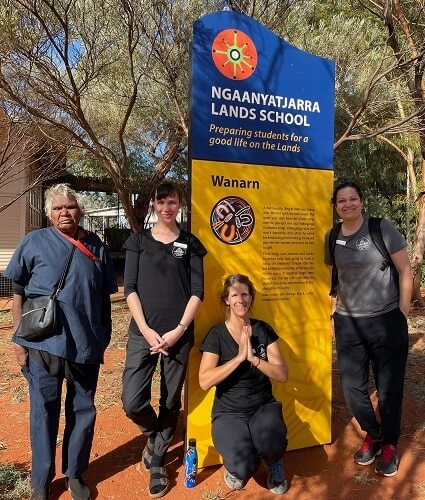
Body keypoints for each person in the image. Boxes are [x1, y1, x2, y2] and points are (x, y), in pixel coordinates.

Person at [3, 184, 117, 500]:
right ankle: (41, 480)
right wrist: (17, 341)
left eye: (69, 207)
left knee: (82, 412)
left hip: (85, 345)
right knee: (43, 412)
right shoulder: (34, 242)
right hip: (43, 344)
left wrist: (103, 338)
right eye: (57, 208)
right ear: (49, 214)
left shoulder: (97, 246)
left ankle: (76, 474)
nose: (63, 212)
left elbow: (104, 299)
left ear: (80, 211)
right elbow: (18, 293)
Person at [121, 181, 207, 498]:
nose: (167, 207)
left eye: (172, 202)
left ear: (180, 205)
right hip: (143, 333)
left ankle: (157, 461)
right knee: (132, 400)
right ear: (154, 206)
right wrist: (146, 329)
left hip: (178, 337)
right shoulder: (138, 242)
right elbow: (129, 289)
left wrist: (178, 331)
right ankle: (156, 433)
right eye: (161, 202)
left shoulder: (191, 244)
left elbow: (198, 292)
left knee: (171, 400)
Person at [325, 180, 412, 477]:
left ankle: (389, 443)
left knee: (388, 390)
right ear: (335, 206)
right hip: (348, 322)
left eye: (352, 199)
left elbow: (405, 270)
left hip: (386, 319)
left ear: (362, 201)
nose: (347, 204)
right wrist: (333, 316)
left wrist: (401, 314)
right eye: (341, 201)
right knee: (352, 389)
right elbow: (335, 281)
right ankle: (373, 433)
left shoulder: (381, 228)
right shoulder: (332, 235)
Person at [199, 274, 289, 495]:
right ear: (227, 300)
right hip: (229, 412)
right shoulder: (216, 335)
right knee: (244, 466)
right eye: (235, 295)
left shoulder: (263, 330)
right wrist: (239, 358)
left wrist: (254, 359)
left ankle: (274, 461)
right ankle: (239, 467)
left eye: (245, 294)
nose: (241, 299)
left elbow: (282, 374)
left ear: (251, 298)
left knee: (273, 442)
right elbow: (204, 381)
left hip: (262, 406)